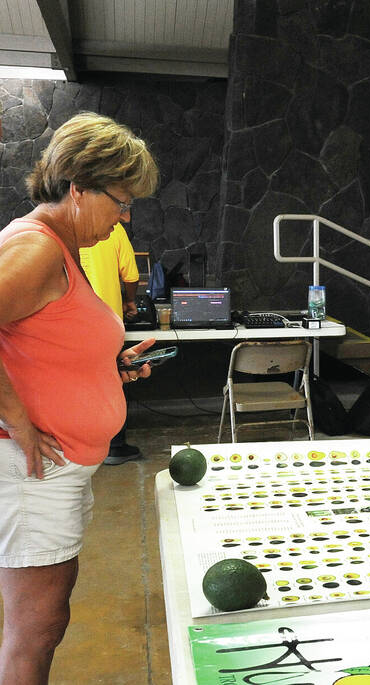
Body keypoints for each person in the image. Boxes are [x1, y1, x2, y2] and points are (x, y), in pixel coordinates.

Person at [0, 112, 159, 683]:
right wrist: (17, 419)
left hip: (57, 471)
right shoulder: (37, 247)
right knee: (35, 629)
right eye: (121, 202)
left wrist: (105, 368)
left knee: (46, 620)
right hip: (32, 471)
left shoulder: (60, 249)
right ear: (78, 187)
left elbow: (40, 341)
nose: (125, 217)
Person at [80, 222, 144, 465]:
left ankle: (81, 446)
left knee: (78, 383)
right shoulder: (113, 228)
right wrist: (130, 301)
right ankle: (114, 447)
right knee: (112, 381)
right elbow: (131, 276)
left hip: (70, 323)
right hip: (106, 321)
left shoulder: (60, 229)